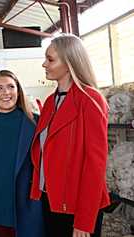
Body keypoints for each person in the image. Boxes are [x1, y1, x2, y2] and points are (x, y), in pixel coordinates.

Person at [30, 34, 110, 237]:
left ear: (69, 62)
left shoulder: (90, 100)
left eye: (50, 59)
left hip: (78, 205)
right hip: (52, 200)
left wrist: (84, 219)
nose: (44, 64)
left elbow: (95, 163)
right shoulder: (50, 102)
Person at [0, 70, 45, 237]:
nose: (6, 92)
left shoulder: (35, 122)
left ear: (18, 90)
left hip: (29, 207)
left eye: (10, 87)